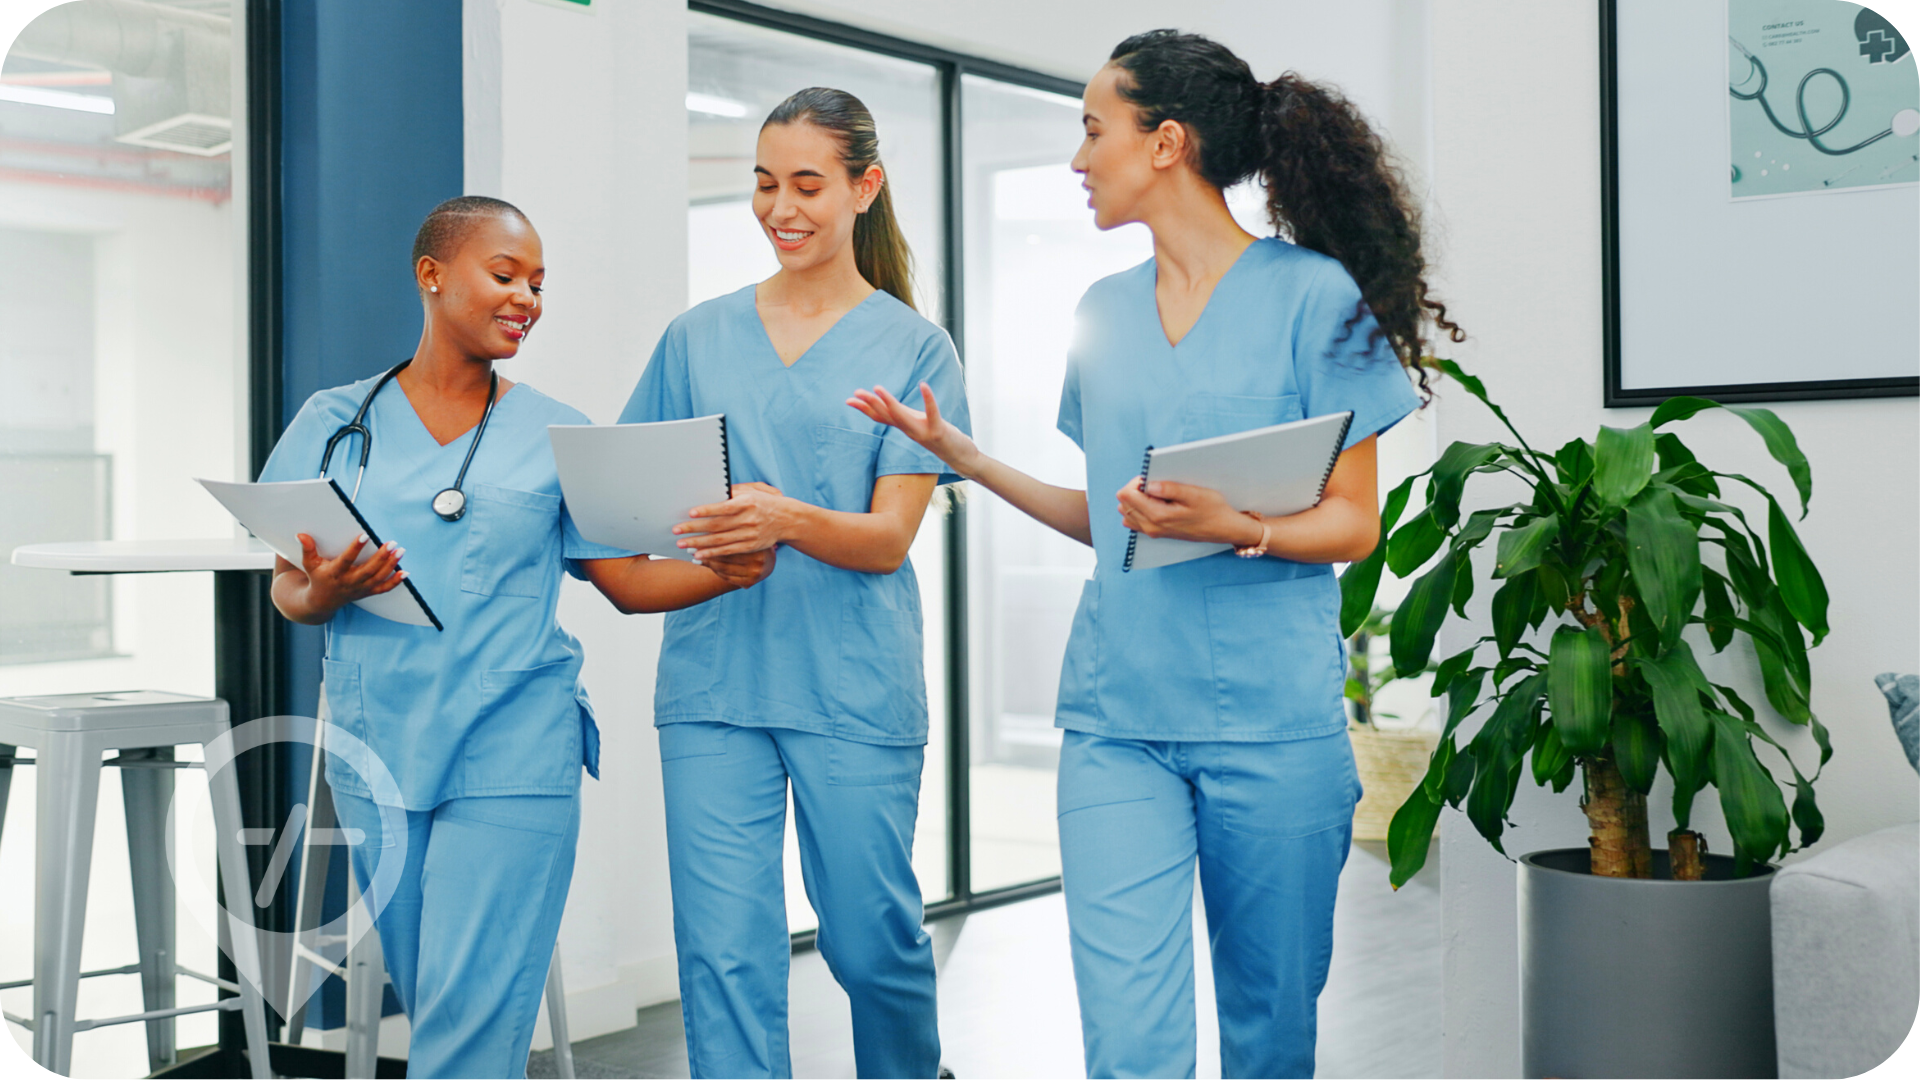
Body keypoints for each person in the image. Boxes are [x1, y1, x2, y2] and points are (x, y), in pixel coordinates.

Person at [850, 30, 1463, 1080]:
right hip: (1117, 722)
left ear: (1167, 141)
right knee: (1130, 1041)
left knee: (1271, 1032)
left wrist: (1241, 525)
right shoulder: (1101, 313)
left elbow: (1355, 522)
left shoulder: (1313, 298)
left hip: (1273, 730)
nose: (1079, 158)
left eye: (1095, 130)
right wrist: (965, 458)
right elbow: (1110, 515)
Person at [260, 196, 773, 1078]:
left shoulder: (556, 430)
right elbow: (288, 591)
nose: (526, 299)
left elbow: (625, 581)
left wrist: (726, 571)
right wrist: (324, 590)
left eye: (537, 284)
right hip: (378, 745)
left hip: (512, 749)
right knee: (439, 1006)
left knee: (467, 1023)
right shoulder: (331, 420)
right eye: (505, 276)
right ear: (431, 274)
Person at [619, 88, 969, 1080]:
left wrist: (786, 518)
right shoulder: (697, 339)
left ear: (865, 187)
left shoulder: (912, 347)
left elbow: (890, 537)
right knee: (724, 955)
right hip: (714, 685)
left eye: (808, 184)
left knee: (869, 942)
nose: (782, 207)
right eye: (766, 184)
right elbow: (638, 506)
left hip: (850, 684)